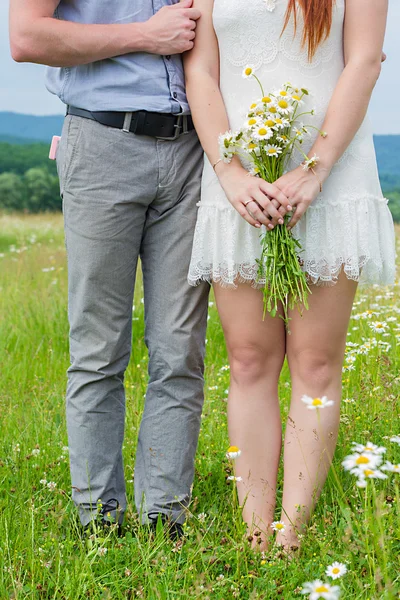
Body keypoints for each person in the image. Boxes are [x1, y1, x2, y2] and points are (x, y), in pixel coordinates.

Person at [184, 0, 395, 552]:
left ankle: (291, 535)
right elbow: (202, 70)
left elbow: (365, 61)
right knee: (249, 359)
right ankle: (256, 534)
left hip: (330, 177)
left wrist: (312, 171)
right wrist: (230, 174)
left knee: (316, 362)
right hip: (241, 186)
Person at [9, 0, 210, 538]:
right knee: (99, 347)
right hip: (103, 144)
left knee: (181, 347)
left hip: (196, 148)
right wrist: (145, 34)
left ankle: (164, 516)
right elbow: (26, 38)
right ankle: (99, 518)